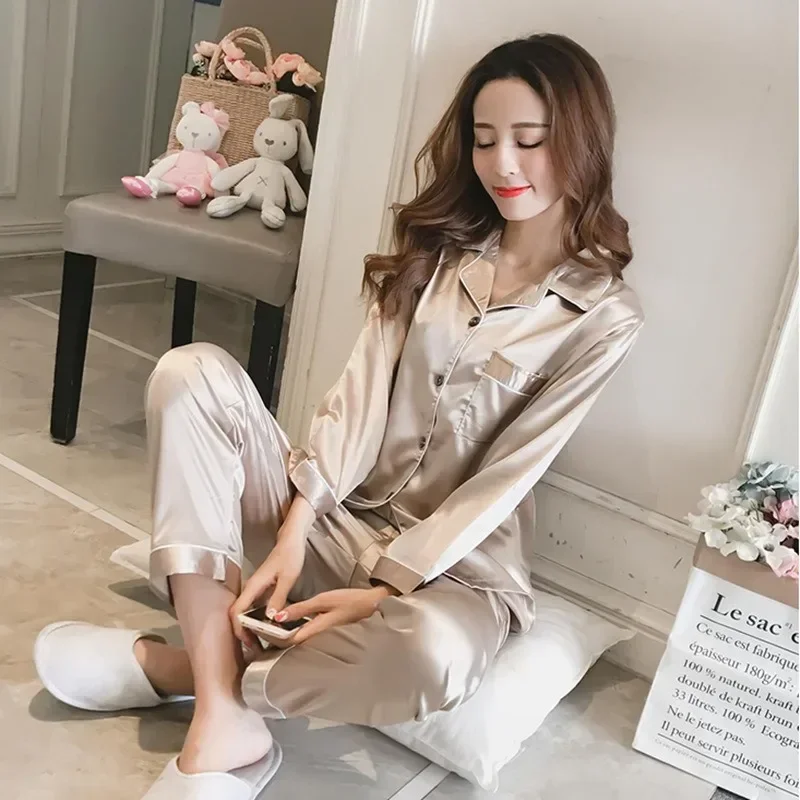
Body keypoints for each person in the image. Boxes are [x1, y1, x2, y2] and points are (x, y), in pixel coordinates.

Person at [34, 33, 643, 798]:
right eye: (485, 139)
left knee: (434, 660)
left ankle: (188, 670)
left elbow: (508, 476)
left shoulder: (605, 315)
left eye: (530, 139)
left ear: (581, 141)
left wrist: (386, 591)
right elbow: (360, 396)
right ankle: (224, 721)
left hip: (455, 572)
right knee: (189, 374)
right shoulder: (440, 250)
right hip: (333, 513)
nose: (504, 164)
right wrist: (295, 529)